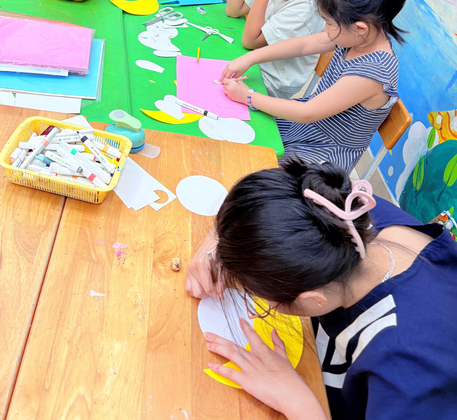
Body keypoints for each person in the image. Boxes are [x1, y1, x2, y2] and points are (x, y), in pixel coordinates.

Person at [186, 159, 457, 420]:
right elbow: (277, 202)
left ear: (313, 299)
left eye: (260, 297)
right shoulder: (344, 213)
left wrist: (295, 400)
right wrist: (222, 241)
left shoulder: (407, 367)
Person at [220, 0, 407, 171]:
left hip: (323, 154)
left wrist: (248, 96)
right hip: (304, 127)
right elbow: (302, 45)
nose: (325, 30)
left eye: (329, 23)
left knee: (248, 168)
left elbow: (306, 112)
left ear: (359, 28)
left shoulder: (373, 72)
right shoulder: (356, 36)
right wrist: (251, 57)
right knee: (234, 135)